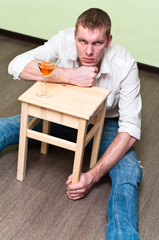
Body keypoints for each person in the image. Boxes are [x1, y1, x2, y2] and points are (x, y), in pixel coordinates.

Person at [1, 8, 142, 239]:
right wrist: (70, 76)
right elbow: (16, 65)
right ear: (74, 35)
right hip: (62, 116)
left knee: (129, 171)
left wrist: (92, 176)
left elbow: (130, 129)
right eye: (83, 41)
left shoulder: (125, 64)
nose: (88, 50)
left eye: (97, 43)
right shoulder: (63, 40)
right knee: (5, 127)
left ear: (109, 40)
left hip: (105, 123)